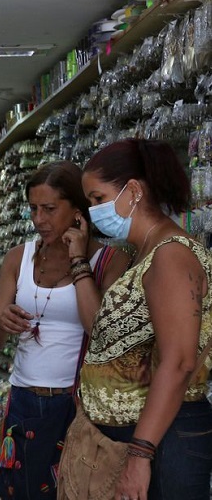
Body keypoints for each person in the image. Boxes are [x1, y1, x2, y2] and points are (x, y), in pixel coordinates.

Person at [67, 138, 212, 500]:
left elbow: (179, 361)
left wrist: (140, 454)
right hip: (137, 438)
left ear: (133, 191)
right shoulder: (140, 252)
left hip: (165, 441)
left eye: (98, 199)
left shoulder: (171, 255)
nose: (93, 211)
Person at [0, 160, 130, 499]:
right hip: (23, 400)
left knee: (72, 490)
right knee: (18, 491)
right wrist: (2, 325)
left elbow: (102, 333)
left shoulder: (109, 262)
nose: (39, 219)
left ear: (77, 210)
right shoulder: (18, 258)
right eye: (33, 208)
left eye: (49, 209)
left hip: (77, 405)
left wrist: (78, 260)